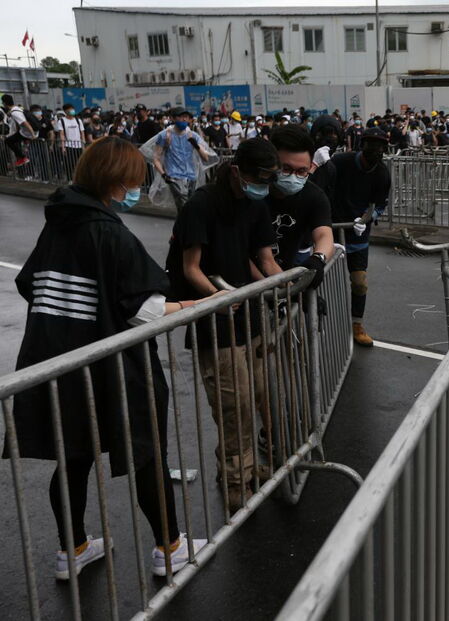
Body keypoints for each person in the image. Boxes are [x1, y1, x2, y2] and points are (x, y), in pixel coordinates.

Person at [3, 137, 209, 579]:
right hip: (111, 368)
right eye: (132, 182)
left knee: (74, 457)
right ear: (116, 182)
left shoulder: (58, 223)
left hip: (56, 362)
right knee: (144, 453)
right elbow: (145, 309)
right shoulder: (110, 233)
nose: (134, 190)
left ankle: (72, 549)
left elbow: (30, 284)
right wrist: (192, 307)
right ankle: (169, 548)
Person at [165, 138, 283, 511]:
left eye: (268, 179)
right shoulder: (201, 206)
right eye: (257, 178)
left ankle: (245, 465)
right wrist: (219, 300)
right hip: (216, 326)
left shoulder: (255, 204)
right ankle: (236, 480)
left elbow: (262, 259)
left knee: (259, 397)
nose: (262, 186)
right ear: (236, 170)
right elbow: (190, 269)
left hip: (250, 316)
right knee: (235, 407)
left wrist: (291, 286)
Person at [330, 128, 391, 346]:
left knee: (359, 282)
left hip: (357, 233)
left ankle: (357, 325)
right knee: (320, 280)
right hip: (330, 229)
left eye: (380, 146)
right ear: (361, 145)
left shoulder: (382, 173)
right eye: (370, 144)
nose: (375, 150)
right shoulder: (339, 162)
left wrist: (366, 219)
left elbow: (380, 204)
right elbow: (320, 187)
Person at [267, 125, 334, 274]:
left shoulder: (314, 196)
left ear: (310, 166)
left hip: (287, 275)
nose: (293, 177)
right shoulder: (254, 192)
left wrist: (318, 258)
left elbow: (324, 234)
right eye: (286, 169)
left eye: (301, 171)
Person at [152, 107, 211, 211]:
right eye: (181, 117)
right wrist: (164, 175)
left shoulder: (193, 136)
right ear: (173, 119)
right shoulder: (164, 135)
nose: (184, 119)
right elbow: (156, 158)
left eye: (187, 117)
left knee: (190, 207)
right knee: (185, 207)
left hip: (191, 176)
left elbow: (206, 158)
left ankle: (183, 226)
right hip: (175, 177)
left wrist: (195, 144)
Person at [53, 104, 87, 180]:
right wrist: (63, 146)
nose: (72, 111)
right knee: (69, 164)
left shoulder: (78, 120)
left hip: (78, 145)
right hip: (68, 145)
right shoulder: (61, 121)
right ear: (65, 111)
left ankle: (79, 179)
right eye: (70, 110)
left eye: (72, 109)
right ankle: (70, 179)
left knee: (79, 164)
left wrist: (83, 144)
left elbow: (82, 132)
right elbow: (61, 134)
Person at [3, 94, 36, 167]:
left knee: (8, 141)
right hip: (24, 132)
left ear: (4, 103)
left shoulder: (15, 112)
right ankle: (21, 158)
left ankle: (22, 158)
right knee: (12, 140)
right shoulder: (16, 108)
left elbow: (25, 123)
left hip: (27, 133)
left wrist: (33, 135)